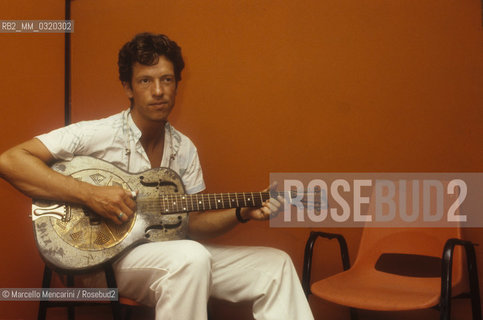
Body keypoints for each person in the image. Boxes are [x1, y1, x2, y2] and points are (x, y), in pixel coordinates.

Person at [0, 32, 314, 320]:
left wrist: (241, 212)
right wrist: (89, 194)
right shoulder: (95, 134)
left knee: (275, 265)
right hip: (99, 262)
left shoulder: (184, 149)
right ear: (128, 87)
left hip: (173, 256)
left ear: (178, 84)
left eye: (167, 79)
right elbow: (10, 161)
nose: (159, 91)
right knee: (190, 258)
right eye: (146, 81)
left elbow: (191, 224)